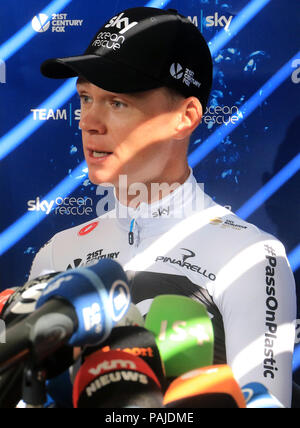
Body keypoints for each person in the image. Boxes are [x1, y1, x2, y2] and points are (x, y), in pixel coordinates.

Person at [28, 7, 296, 407]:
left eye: (117, 102)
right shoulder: (57, 253)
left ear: (185, 116)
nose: (88, 122)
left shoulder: (252, 257)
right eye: (85, 97)